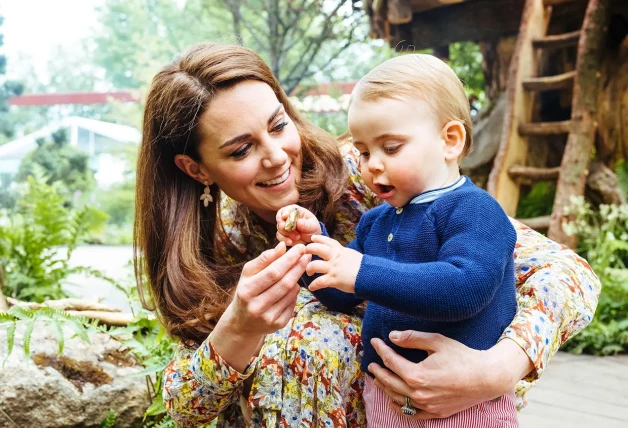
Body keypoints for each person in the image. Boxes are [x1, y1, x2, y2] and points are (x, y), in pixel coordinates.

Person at [133, 42, 600, 427]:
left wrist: (497, 370)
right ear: (196, 169)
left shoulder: (376, 174)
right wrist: (240, 327)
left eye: (279, 125)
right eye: (241, 150)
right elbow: (184, 407)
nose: (276, 156)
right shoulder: (218, 245)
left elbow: (568, 273)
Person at [276, 54, 519, 427]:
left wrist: (361, 271)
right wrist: (311, 246)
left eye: (390, 148)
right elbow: (340, 292)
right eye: (363, 151)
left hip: (464, 403)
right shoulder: (376, 223)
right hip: (388, 397)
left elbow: (466, 287)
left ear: (449, 141)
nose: (373, 164)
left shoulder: (473, 210)